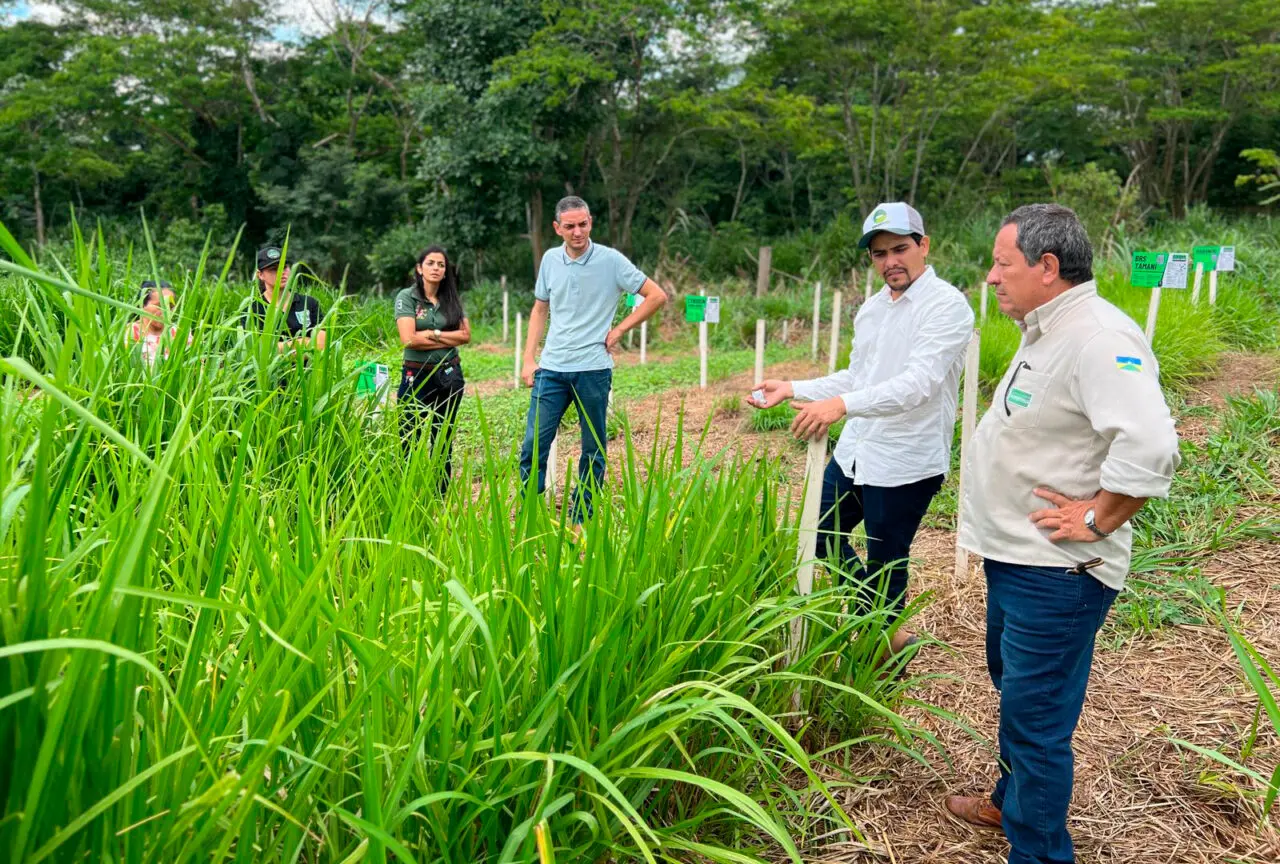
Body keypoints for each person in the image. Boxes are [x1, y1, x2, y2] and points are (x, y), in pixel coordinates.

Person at [946, 204, 1180, 864]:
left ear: (1047, 267)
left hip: (1056, 572)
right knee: (1019, 695)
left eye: (1003, 264)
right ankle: (1012, 800)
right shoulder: (1047, 330)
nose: (992, 277)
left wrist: (1097, 517)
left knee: (1037, 719)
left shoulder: (1098, 338)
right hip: (1018, 558)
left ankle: (1040, 851)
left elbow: (1151, 444)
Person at [749, 202, 973, 654]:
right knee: (817, 531)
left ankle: (881, 654)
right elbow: (859, 377)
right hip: (857, 450)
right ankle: (889, 632)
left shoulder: (946, 306)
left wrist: (842, 406)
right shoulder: (872, 309)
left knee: (886, 559)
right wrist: (794, 387)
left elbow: (919, 384)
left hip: (906, 457)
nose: (890, 262)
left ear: (924, 246)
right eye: (879, 254)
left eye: (900, 249)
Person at [519, 195, 667, 523]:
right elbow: (540, 308)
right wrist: (529, 358)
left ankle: (581, 516)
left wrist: (620, 330)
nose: (578, 232)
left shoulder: (611, 261)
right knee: (533, 445)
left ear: (591, 222)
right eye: (570, 226)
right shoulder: (550, 260)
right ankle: (530, 512)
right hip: (552, 369)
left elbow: (656, 295)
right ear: (557, 228)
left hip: (593, 370)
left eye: (583, 224)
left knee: (593, 448)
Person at [395, 246, 471, 490]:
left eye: (441, 264)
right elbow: (409, 339)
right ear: (420, 268)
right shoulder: (407, 297)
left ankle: (441, 492)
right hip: (416, 373)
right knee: (409, 434)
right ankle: (408, 490)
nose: (436, 268)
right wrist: (448, 337)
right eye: (430, 263)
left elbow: (466, 335)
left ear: (446, 271)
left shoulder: (451, 298)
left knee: (443, 436)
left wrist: (432, 333)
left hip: (449, 374)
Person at [242, 246, 327, 353]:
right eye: (273, 269)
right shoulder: (252, 310)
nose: (281, 272)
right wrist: (304, 342)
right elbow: (261, 351)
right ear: (260, 275)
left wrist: (282, 348)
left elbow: (322, 345)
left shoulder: (309, 303)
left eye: (284, 267)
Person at [128, 279, 189, 365]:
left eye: (170, 307)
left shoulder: (180, 334)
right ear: (143, 305)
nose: (166, 311)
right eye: (160, 306)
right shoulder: (129, 333)